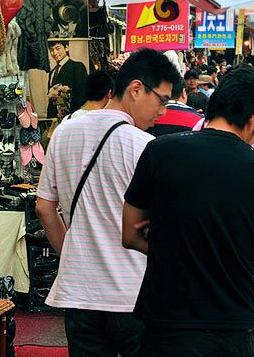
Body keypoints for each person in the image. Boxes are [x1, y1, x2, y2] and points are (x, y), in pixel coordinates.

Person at [122, 66, 254, 356]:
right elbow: (249, 250)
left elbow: (130, 235)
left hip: (166, 320)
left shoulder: (160, 152)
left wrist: (169, 241)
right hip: (231, 324)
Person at [35, 48, 180, 357]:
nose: (163, 112)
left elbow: (44, 207)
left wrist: (71, 254)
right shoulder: (145, 146)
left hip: (79, 292)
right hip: (132, 293)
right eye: (162, 100)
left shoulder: (64, 132)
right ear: (136, 88)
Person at [47, 40, 89, 118]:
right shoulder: (52, 72)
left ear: (66, 48)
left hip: (72, 116)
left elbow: (82, 96)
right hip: (54, 118)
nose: (54, 53)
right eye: (51, 50)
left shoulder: (77, 67)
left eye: (58, 48)